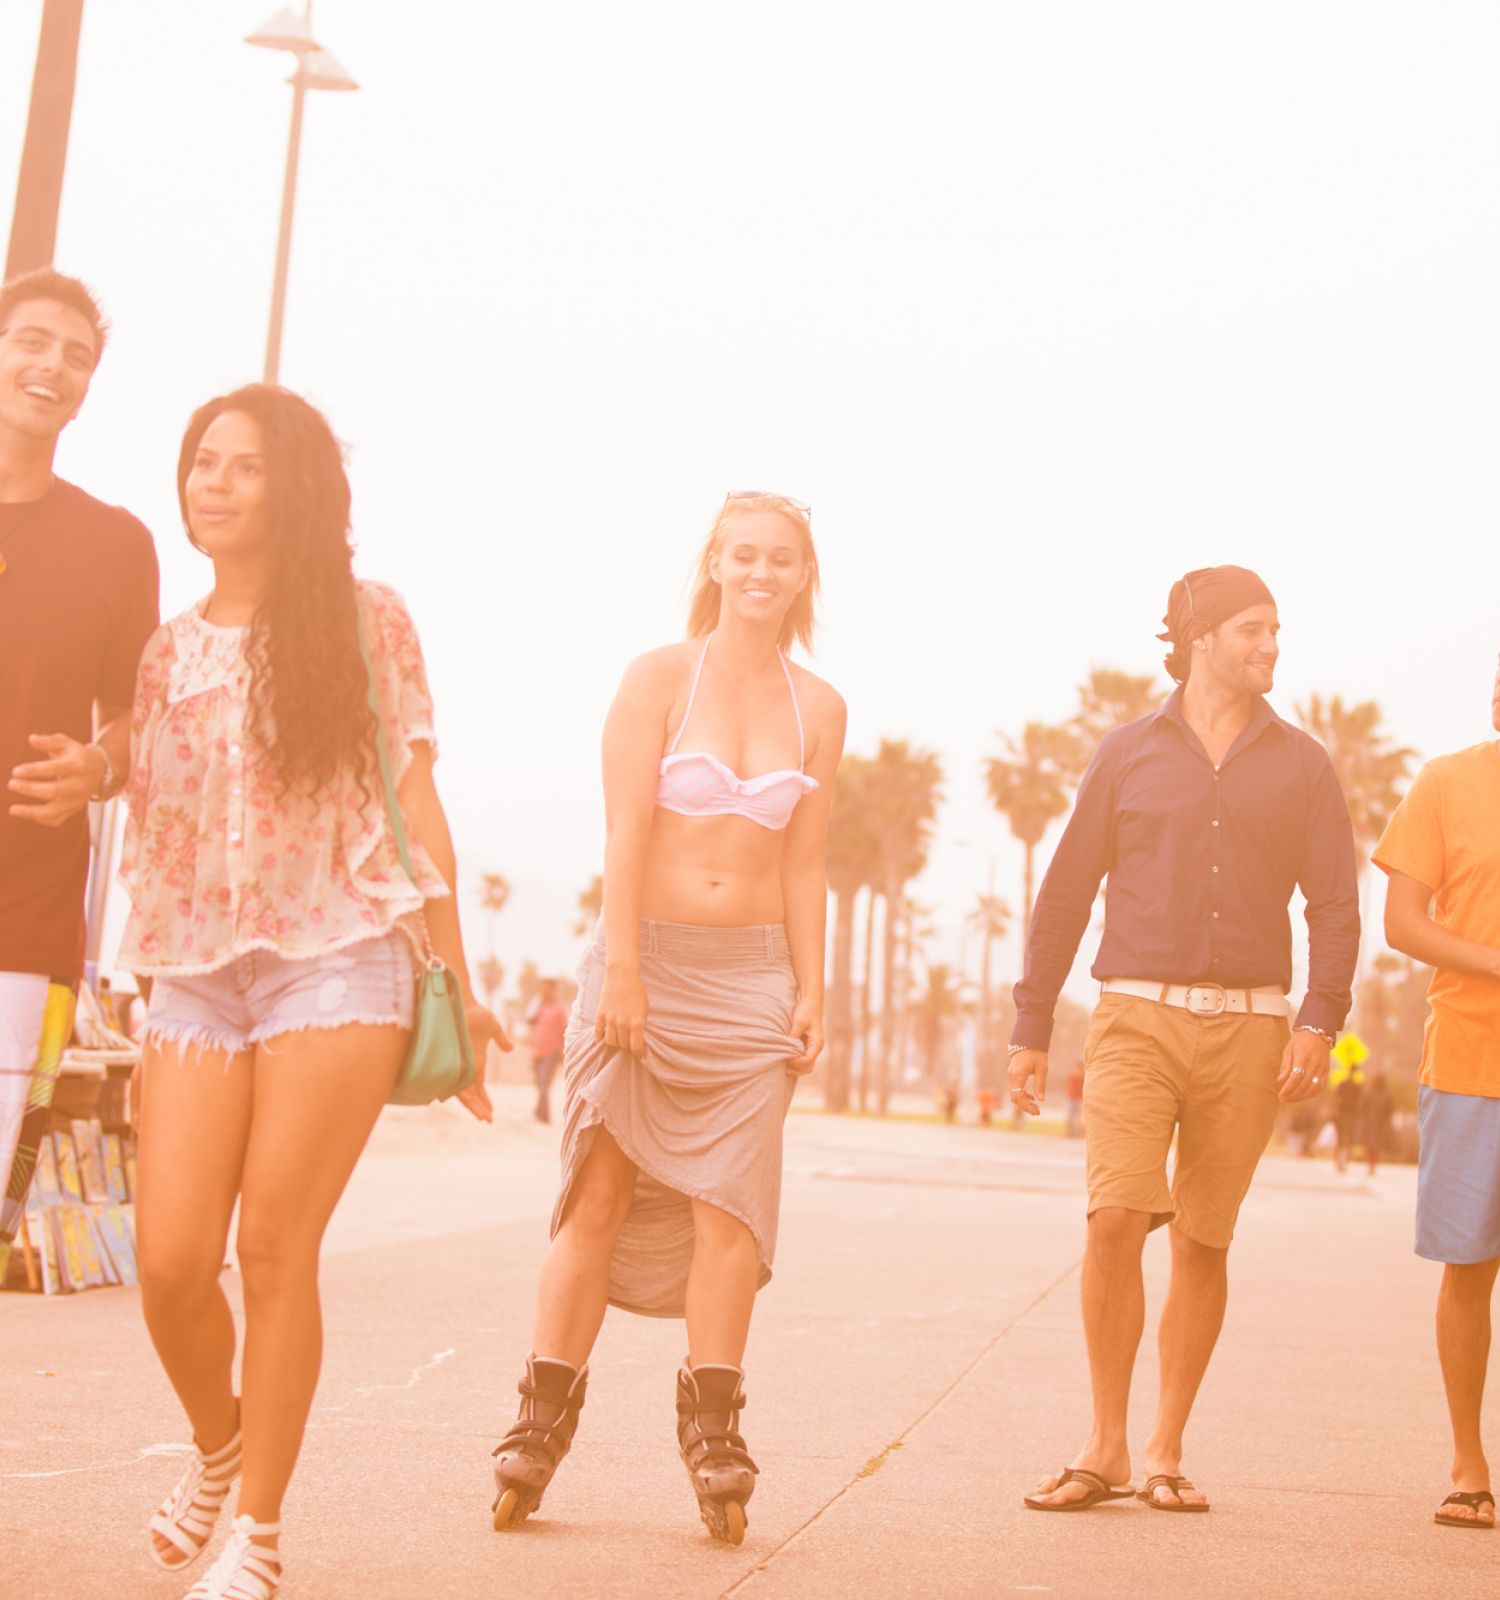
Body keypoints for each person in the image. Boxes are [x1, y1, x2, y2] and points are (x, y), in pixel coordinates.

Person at [122, 385, 507, 1599]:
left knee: (276, 1245)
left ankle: (262, 1532)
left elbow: (417, 794)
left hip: (338, 952)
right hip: (191, 967)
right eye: (200, 463)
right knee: (173, 1262)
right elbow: (155, 810)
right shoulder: (168, 648)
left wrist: (454, 966)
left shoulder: (365, 618)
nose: (213, 482)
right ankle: (221, 1445)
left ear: (294, 487)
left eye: (241, 466)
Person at [489, 491, 844, 1545]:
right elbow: (625, 828)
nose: (761, 572)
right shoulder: (656, 678)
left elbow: (806, 860)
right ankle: (540, 1416)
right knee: (598, 1187)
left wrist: (814, 988)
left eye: (780, 558)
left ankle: (715, 1427)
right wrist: (627, 966)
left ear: (802, 573)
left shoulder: (820, 705)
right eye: (744, 554)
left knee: (727, 1210)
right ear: (716, 563)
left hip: (752, 982)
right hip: (645, 961)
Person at [1010, 564, 1358, 1514]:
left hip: (1251, 1027)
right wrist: (1031, 1022)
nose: (1271, 647)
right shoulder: (1126, 752)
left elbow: (1333, 902)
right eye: (1252, 629)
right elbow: (1068, 891)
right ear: (1199, 636)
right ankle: (1105, 1443)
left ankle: (1164, 1448)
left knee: (1203, 1241)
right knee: (1114, 1218)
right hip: (1133, 1016)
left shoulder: (1304, 765)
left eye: (1277, 630)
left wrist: (1322, 1018)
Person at [0, 269, 158, 1282]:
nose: (52, 366)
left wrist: (99, 767)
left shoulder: (115, 543)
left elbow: (138, 719)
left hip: (25, 909)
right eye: (33, 341)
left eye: (76, 354)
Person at [1375, 653, 1500, 1531]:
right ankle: (1468, 1462)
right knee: (1470, 1266)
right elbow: (1402, 922)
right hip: (1469, 1063)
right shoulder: (1447, 784)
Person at [526, 977, 570, 1123]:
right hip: (537, 1050)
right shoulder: (538, 1006)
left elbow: (565, 1029)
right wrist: (537, 1005)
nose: (543, 991)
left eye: (546, 988)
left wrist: (563, 1052)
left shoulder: (560, 1008)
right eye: (541, 988)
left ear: (553, 989)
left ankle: (542, 1115)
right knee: (539, 1084)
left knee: (544, 1084)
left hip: (552, 1051)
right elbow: (530, 1021)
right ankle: (541, 1114)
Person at [1360, 1071, 1393, 1177]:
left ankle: (1370, 1164)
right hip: (1381, 1122)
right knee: (1377, 1145)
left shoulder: (1369, 1092)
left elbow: (1363, 1106)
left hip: (1369, 1121)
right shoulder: (1387, 1094)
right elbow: (1390, 1109)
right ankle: (1373, 1164)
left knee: (1370, 1145)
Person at [1334, 1066, 1364, 1173]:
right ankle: (1344, 1161)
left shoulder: (1342, 1084)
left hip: (1342, 1113)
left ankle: (1339, 1160)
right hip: (1351, 1114)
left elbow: (1335, 1097)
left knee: (1341, 1138)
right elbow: (1360, 1101)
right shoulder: (1357, 1086)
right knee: (1349, 1139)